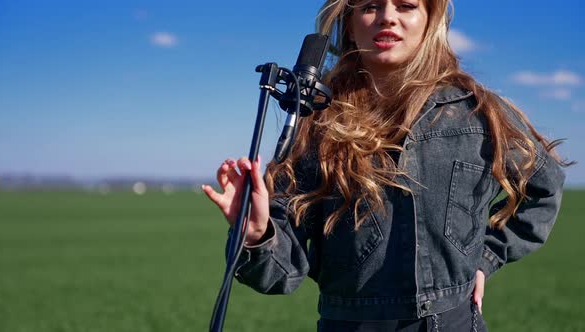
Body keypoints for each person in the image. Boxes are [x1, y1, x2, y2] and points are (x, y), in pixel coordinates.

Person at [202, 0, 568, 331]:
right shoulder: (316, 126)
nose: (388, 17)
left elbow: (544, 186)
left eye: (406, 6)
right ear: (348, 22)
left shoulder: (478, 112)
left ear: (430, 21)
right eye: (370, 6)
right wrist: (256, 234)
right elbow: (282, 273)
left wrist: (485, 258)